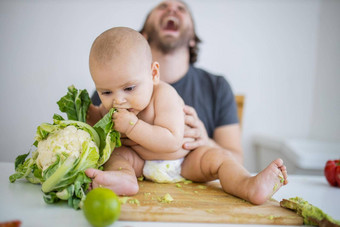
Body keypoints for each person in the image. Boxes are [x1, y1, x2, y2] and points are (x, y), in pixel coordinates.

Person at [85, 26, 288, 205]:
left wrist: (132, 127)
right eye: (106, 92)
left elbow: (172, 141)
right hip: (140, 165)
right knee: (118, 157)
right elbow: (98, 129)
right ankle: (124, 180)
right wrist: (89, 115)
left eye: (129, 88)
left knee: (219, 158)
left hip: (185, 161)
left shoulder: (164, 95)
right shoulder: (113, 106)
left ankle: (249, 185)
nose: (117, 101)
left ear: (154, 74)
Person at [91, 0, 243, 164]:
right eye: (162, 7)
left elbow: (237, 161)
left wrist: (206, 142)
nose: (172, 9)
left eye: (181, 9)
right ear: (144, 35)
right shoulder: (110, 86)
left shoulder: (217, 87)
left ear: (193, 38)